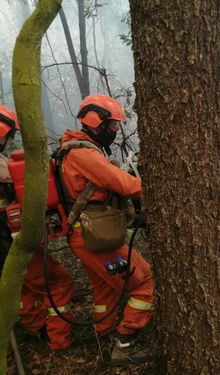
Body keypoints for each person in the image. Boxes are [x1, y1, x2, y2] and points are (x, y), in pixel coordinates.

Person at [56, 94, 154, 349]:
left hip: (88, 234)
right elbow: (123, 184)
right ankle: (126, 335)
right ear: (94, 121)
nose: (115, 131)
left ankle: (103, 334)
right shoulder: (83, 153)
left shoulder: (81, 149)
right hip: (93, 236)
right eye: (112, 125)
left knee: (105, 289)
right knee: (145, 282)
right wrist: (161, 188)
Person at [0, 104, 74, 350]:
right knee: (58, 282)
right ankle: (58, 339)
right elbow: (22, 178)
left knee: (19, 286)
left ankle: (37, 328)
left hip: (5, 245)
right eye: (9, 135)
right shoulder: (2, 167)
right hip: (11, 241)